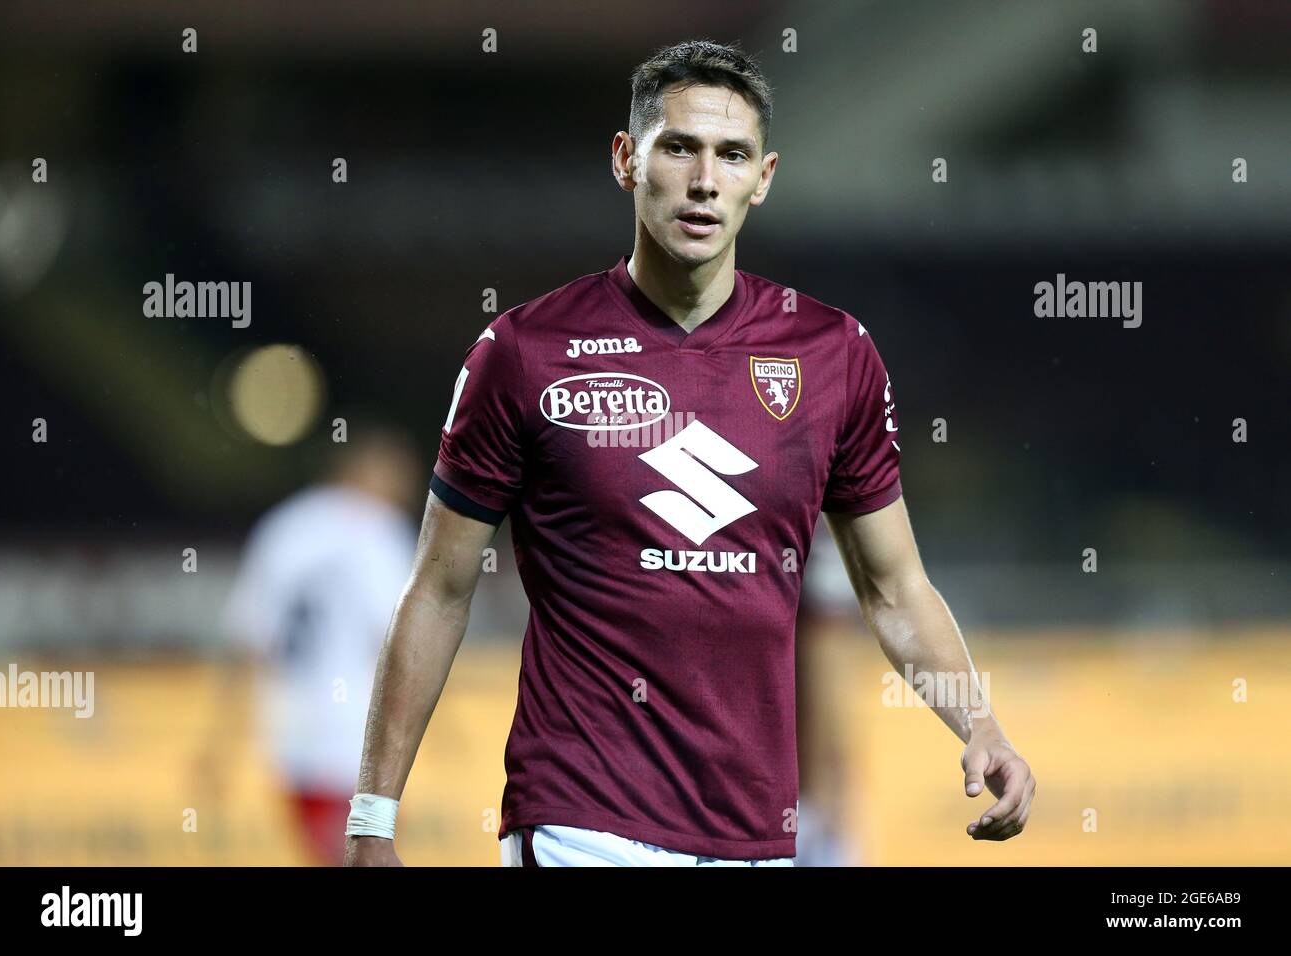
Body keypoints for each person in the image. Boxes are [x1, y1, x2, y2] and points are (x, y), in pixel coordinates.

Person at [345, 39, 1035, 867]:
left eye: (732, 155)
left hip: (757, 838)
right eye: (680, 148)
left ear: (764, 177)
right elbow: (439, 589)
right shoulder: (524, 351)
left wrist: (980, 721)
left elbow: (894, 587)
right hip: (581, 824)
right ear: (626, 160)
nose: (705, 179)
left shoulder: (833, 354)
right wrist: (373, 817)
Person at [204, 424, 423, 865]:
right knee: (359, 855)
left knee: (330, 856)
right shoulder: (378, 529)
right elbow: (403, 641)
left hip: (292, 735)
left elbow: (248, 643)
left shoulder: (284, 527)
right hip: (358, 737)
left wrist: (221, 742)